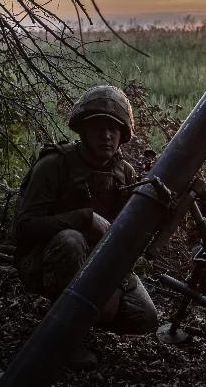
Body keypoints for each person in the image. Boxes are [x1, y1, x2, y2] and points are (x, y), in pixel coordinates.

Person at [12, 86, 159, 356]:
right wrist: (83, 218)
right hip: (44, 259)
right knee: (71, 240)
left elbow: (129, 236)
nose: (106, 136)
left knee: (145, 318)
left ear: (123, 134)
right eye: (98, 128)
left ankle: (83, 317)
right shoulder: (55, 165)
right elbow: (24, 229)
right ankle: (64, 337)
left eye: (113, 129)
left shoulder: (124, 172)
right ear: (83, 130)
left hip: (98, 259)